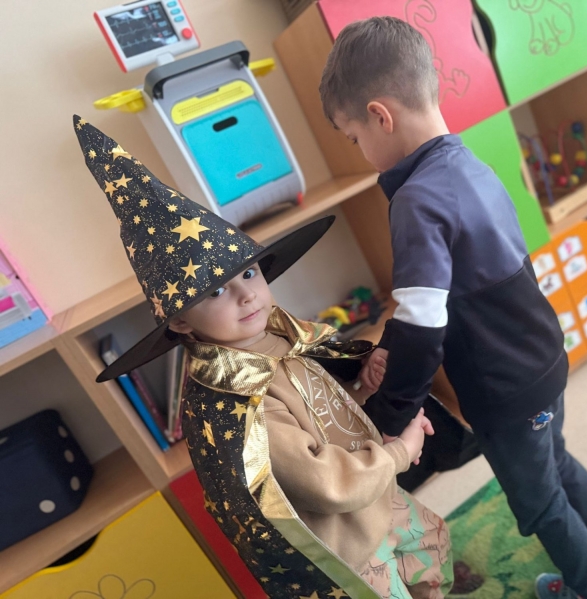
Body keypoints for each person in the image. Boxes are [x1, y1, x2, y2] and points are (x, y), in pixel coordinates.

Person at [319, 17, 587, 599]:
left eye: (353, 138)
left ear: (380, 116)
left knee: (539, 499)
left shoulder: (415, 201)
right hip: (543, 361)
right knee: (556, 460)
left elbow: (424, 329)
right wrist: (388, 344)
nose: (361, 152)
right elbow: (437, 299)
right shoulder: (470, 164)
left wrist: (392, 418)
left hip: (504, 390)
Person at [73, 116, 453, 599]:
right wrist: (399, 452)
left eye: (249, 273)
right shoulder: (239, 402)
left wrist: (361, 386)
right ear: (181, 322)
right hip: (349, 542)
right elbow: (325, 483)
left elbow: (320, 412)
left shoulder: (283, 340)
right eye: (215, 292)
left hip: (377, 494)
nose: (246, 295)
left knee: (429, 551)